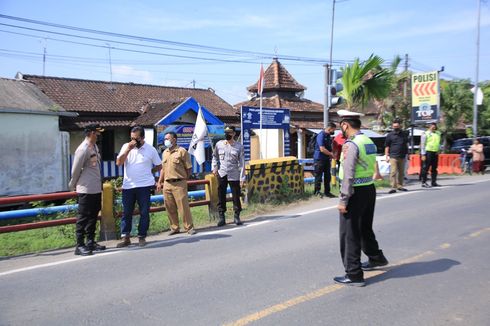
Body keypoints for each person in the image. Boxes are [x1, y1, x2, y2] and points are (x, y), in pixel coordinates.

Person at [334, 111, 388, 287]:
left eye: (341, 126)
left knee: (349, 234)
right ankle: (376, 257)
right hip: (368, 189)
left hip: (354, 192)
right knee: (364, 228)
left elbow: (348, 174)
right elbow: (373, 165)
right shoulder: (367, 141)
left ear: (345, 125)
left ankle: (354, 273)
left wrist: (343, 199)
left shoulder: (351, 144)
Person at [116, 126, 162, 247]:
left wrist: (150, 171)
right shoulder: (126, 146)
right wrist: (128, 150)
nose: (133, 141)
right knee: (127, 212)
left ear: (142, 138)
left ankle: (142, 236)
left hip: (144, 185)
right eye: (131, 138)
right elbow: (119, 163)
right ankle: (125, 237)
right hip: (128, 185)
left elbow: (159, 165)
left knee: (144, 211)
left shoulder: (150, 149)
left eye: (135, 139)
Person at [69, 124, 106, 256]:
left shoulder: (94, 147)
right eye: (97, 133)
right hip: (85, 188)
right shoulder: (83, 149)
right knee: (83, 217)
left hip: (95, 187)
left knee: (93, 216)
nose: (99, 135)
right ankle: (79, 245)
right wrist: (73, 185)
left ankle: (90, 241)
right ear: (90, 133)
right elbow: (76, 169)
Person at [156, 132, 196, 235]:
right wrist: (159, 181)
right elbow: (162, 169)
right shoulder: (164, 152)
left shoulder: (182, 151)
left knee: (183, 207)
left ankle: (189, 227)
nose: (166, 141)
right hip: (167, 183)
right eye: (165, 139)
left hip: (179, 182)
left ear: (174, 139)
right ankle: (174, 227)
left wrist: (183, 179)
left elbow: (189, 168)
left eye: (167, 138)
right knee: (169, 207)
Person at [212, 126, 246, 227]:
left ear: (234, 134)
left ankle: (236, 216)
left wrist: (242, 178)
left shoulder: (239, 147)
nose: (227, 134)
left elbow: (242, 163)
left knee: (236, 196)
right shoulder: (219, 144)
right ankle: (222, 217)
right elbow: (214, 157)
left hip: (234, 174)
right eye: (226, 132)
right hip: (222, 173)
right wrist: (214, 167)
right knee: (221, 195)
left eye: (229, 132)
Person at [384, 119, 409, 193]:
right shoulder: (390, 135)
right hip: (393, 156)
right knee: (393, 172)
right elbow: (387, 146)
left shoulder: (404, 134)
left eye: (397, 126)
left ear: (400, 126)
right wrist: (386, 156)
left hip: (402, 156)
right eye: (394, 126)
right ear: (392, 126)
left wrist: (408, 154)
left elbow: (406, 144)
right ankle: (393, 187)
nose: (395, 127)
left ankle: (400, 185)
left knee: (401, 172)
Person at [313, 122, 336, 198]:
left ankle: (327, 192)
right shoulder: (321, 135)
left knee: (327, 176)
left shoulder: (328, 136)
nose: (334, 131)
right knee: (318, 176)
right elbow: (322, 149)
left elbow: (329, 147)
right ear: (330, 128)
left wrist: (331, 154)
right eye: (333, 129)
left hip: (326, 159)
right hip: (319, 159)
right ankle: (317, 192)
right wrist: (331, 154)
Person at [420, 122, 442, 188]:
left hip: (435, 152)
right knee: (426, 168)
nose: (434, 127)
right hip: (428, 152)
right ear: (429, 127)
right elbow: (423, 144)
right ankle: (424, 182)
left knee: (434, 168)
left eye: (434, 126)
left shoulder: (438, 133)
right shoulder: (425, 134)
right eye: (432, 126)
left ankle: (433, 182)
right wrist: (423, 154)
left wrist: (439, 150)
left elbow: (439, 143)